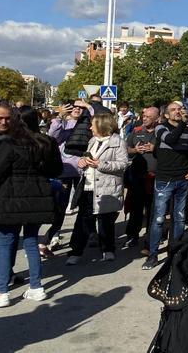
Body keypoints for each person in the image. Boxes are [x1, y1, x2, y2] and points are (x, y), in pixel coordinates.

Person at [0, 103, 62, 306]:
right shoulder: (44, 142)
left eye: (8, 118)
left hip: (10, 200)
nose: (4, 122)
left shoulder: (8, 143)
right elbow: (55, 170)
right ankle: (36, 287)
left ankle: (2, 291)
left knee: (5, 244)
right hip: (37, 198)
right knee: (32, 242)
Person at [65, 112, 128, 265]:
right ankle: (76, 251)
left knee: (106, 221)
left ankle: (108, 249)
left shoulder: (118, 142)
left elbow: (123, 164)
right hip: (88, 186)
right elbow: (87, 157)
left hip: (107, 188)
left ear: (101, 125)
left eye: (92, 124)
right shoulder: (92, 140)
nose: (89, 127)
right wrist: (82, 162)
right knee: (83, 220)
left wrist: (101, 164)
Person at [142, 101, 188, 270]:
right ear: (166, 115)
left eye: (179, 109)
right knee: (158, 219)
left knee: (179, 218)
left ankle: (175, 253)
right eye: (173, 110)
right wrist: (184, 123)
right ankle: (152, 255)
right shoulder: (161, 128)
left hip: (183, 179)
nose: (178, 112)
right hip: (165, 179)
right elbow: (171, 140)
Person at [45, 100, 87, 251]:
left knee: (84, 205)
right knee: (60, 206)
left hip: (83, 170)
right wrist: (59, 117)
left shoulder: (87, 124)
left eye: (80, 107)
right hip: (65, 170)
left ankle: (86, 235)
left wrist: (88, 107)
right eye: (74, 107)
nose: (77, 109)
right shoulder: (62, 123)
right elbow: (52, 137)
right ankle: (54, 235)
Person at [124, 106, 159, 252]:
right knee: (136, 208)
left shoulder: (161, 133)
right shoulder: (137, 131)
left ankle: (150, 238)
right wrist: (135, 150)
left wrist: (154, 149)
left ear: (157, 118)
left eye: (148, 117)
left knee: (153, 210)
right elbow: (125, 149)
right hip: (137, 177)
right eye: (144, 116)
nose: (144, 119)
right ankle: (133, 235)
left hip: (156, 177)